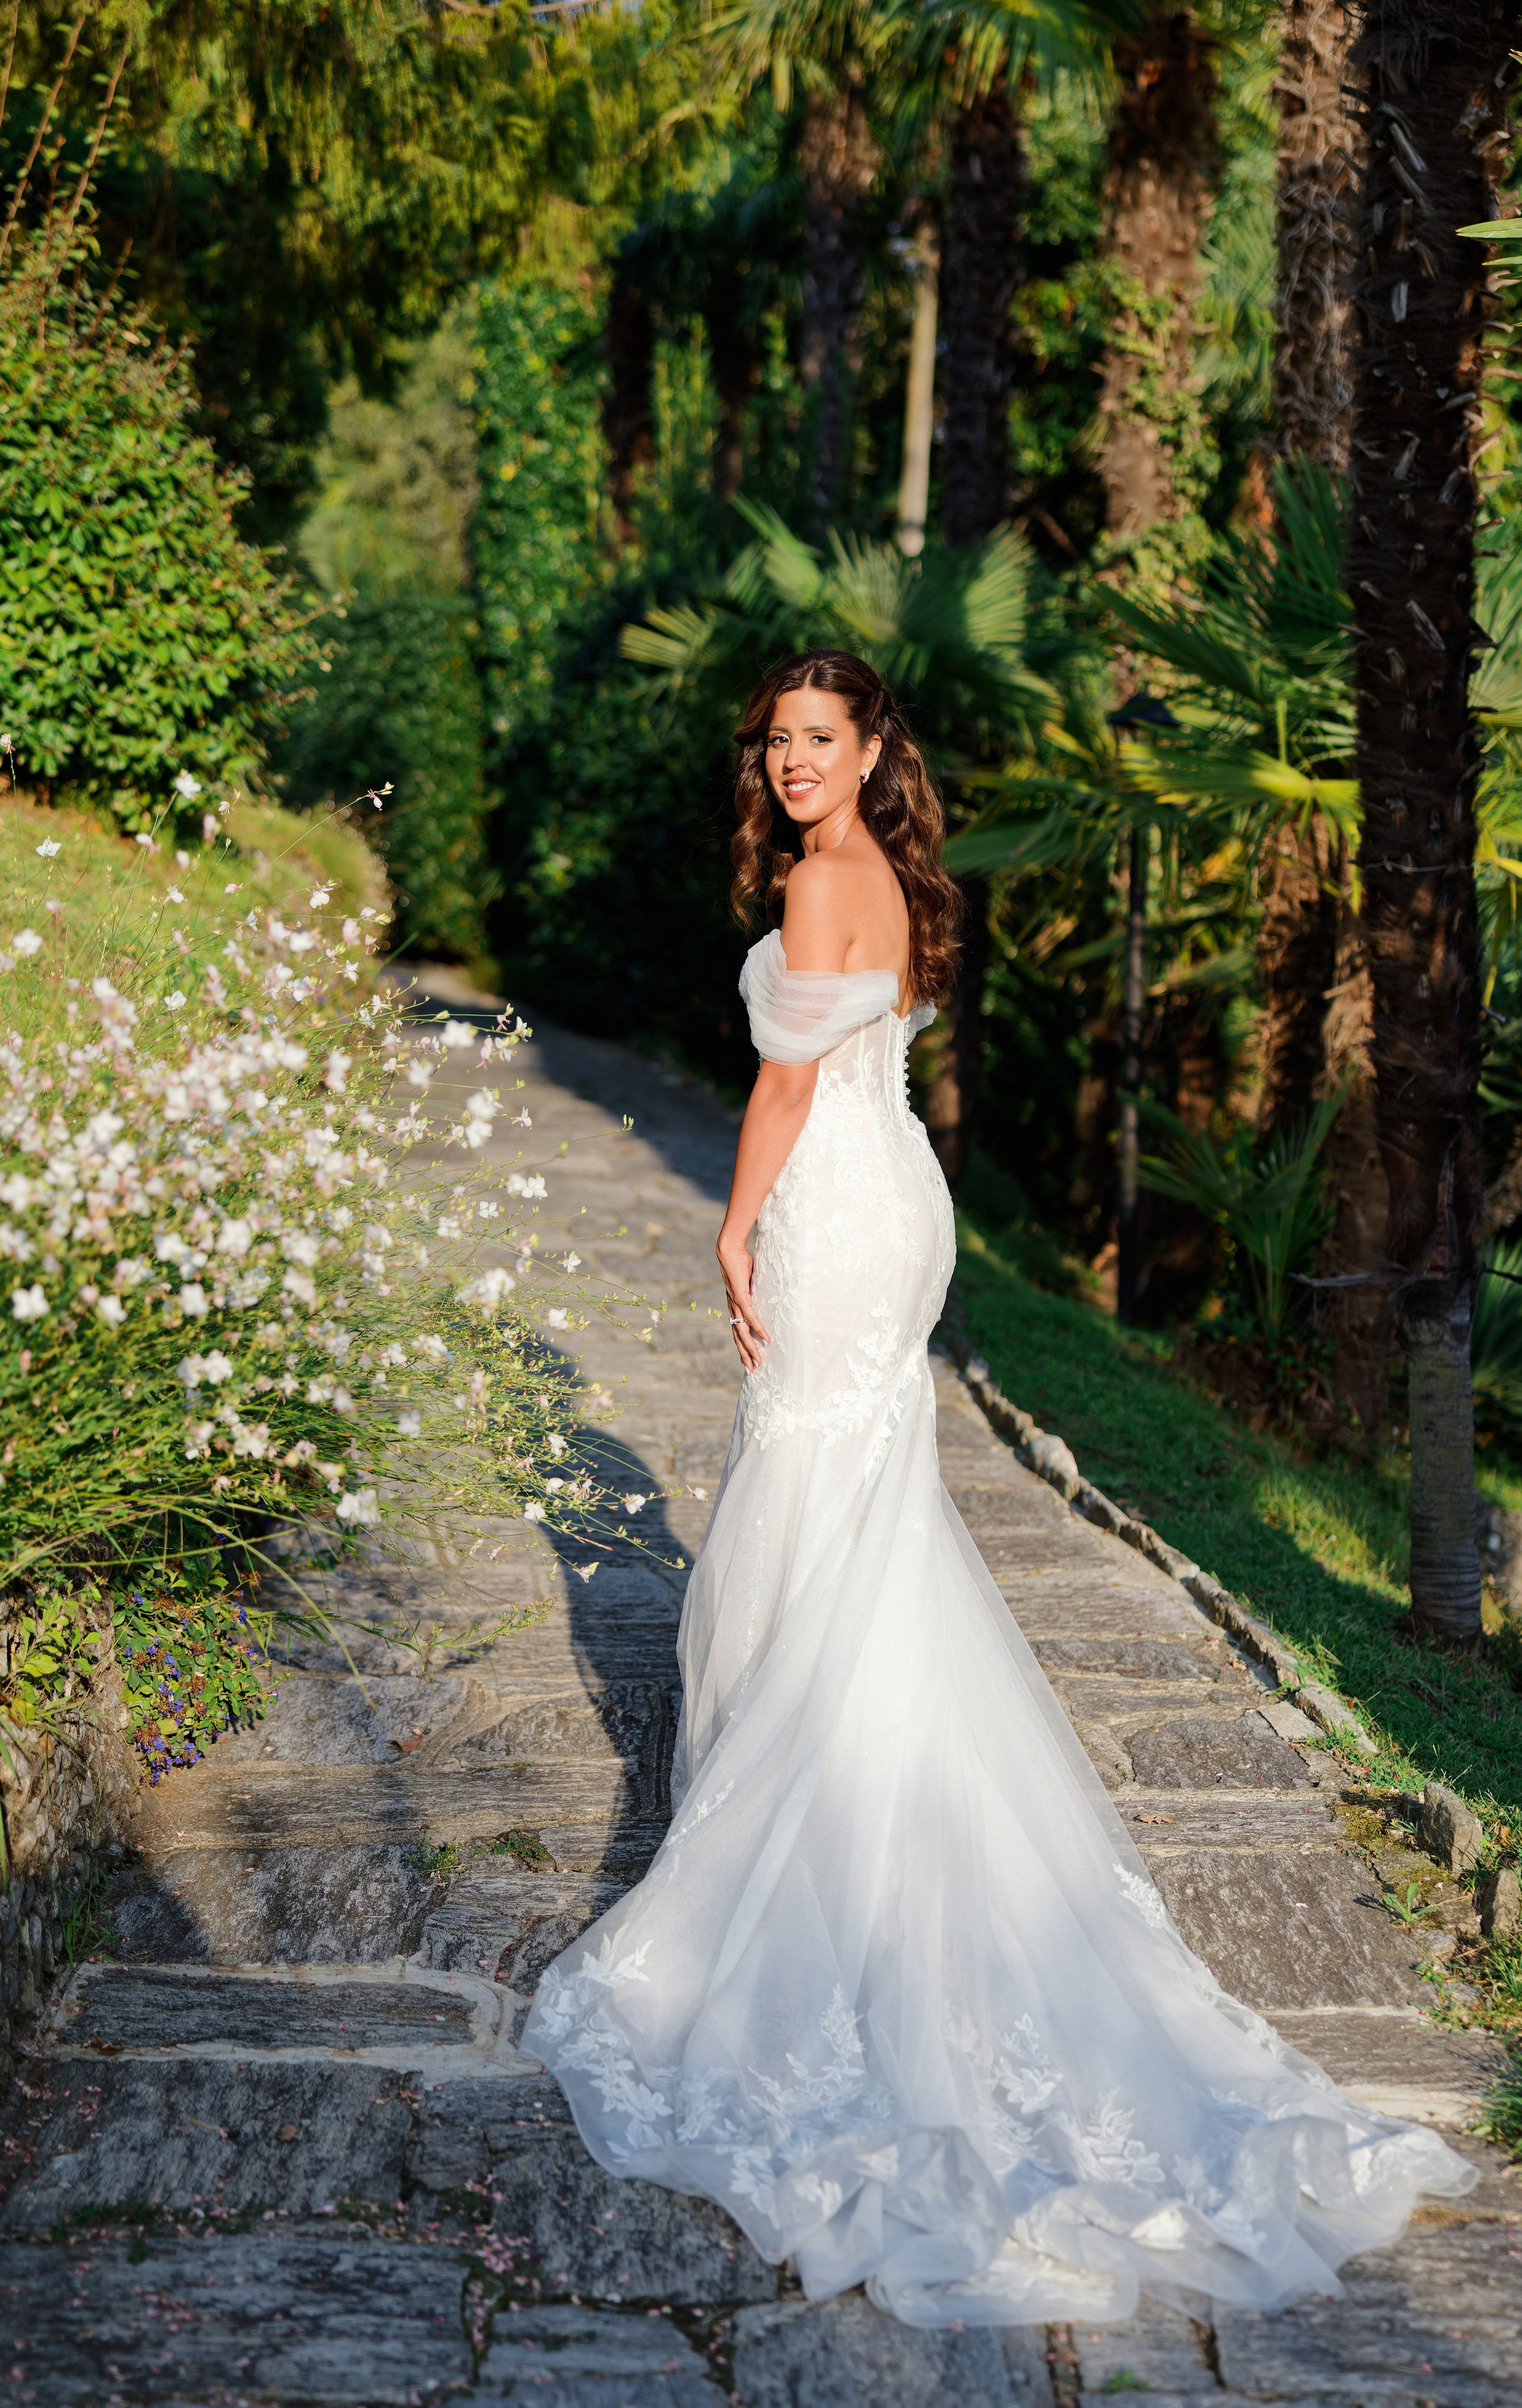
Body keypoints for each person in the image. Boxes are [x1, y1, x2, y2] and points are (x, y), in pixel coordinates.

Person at [529, 648, 1472, 2327]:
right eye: (779, 741)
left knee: (812, 1502)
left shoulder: (830, 879)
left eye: (824, 737)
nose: (798, 762)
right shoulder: (887, 874)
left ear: (871, 744)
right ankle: (867, 1808)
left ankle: (810, 1853)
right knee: (857, 1513)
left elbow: (787, 1083)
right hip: (897, 1199)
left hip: (832, 1200)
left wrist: (736, 1225)